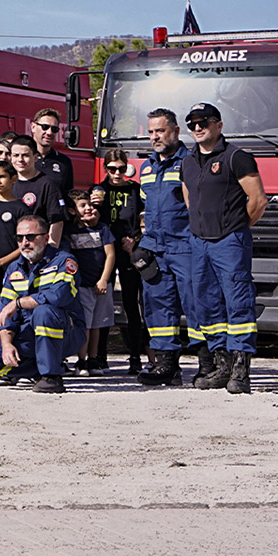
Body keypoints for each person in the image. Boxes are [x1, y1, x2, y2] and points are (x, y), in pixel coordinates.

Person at [179, 102, 267, 395]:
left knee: (238, 302)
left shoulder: (236, 158)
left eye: (203, 121)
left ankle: (241, 370)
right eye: (192, 123)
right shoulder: (188, 161)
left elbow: (257, 201)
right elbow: (190, 199)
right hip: (199, 242)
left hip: (229, 241)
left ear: (219, 125)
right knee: (206, 303)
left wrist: (236, 229)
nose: (197, 127)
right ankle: (222, 364)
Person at [0, 214, 82, 393]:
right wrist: (6, 344)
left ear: (46, 237)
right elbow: (5, 311)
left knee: (44, 312)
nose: (24, 242)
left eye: (31, 237)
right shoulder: (14, 268)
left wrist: (19, 303)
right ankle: (37, 369)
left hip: (66, 332)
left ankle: (51, 377)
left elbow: (59, 296)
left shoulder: (64, 261)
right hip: (30, 332)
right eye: (19, 238)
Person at [136, 109, 195, 387]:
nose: (155, 137)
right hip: (155, 249)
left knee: (196, 307)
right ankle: (166, 366)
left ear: (175, 131)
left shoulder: (190, 162)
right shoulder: (146, 167)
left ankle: (207, 365)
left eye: (160, 131)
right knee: (158, 307)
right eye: (150, 132)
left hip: (185, 246)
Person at [94, 148, 147, 375]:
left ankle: (136, 356)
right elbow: (88, 216)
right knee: (102, 302)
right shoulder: (99, 190)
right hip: (105, 251)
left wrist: (135, 239)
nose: (117, 173)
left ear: (127, 168)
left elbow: (146, 217)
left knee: (131, 303)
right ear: (106, 169)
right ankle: (100, 355)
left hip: (128, 251)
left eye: (121, 169)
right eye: (112, 169)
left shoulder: (135, 190)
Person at [66, 194, 117, 376]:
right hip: (83, 285)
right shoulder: (70, 231)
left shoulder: (102, 229)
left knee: (97, 323)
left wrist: (104, 279)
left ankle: (93, 358)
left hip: (101, 284)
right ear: (73, 210)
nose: (88, 208)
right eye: (82, 205)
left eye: (90, 205)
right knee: (85, 323)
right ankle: (81, 360)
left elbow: (110, 255)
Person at [9, 135, 66, 245]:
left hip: (37, 248)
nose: (20, 159)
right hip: (12, 248)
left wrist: (50, 250)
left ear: (35, 157)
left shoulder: (47, 184)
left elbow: (56, 222)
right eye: (16, 155)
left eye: (25, 155)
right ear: (11, 158)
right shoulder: (8, 182)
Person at [31, 108, 75, 195]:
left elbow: (69, 195)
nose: (49, 132)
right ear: (33, 127)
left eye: (54, 129)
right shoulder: (22, 158)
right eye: (45, 127)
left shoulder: (64, 162)